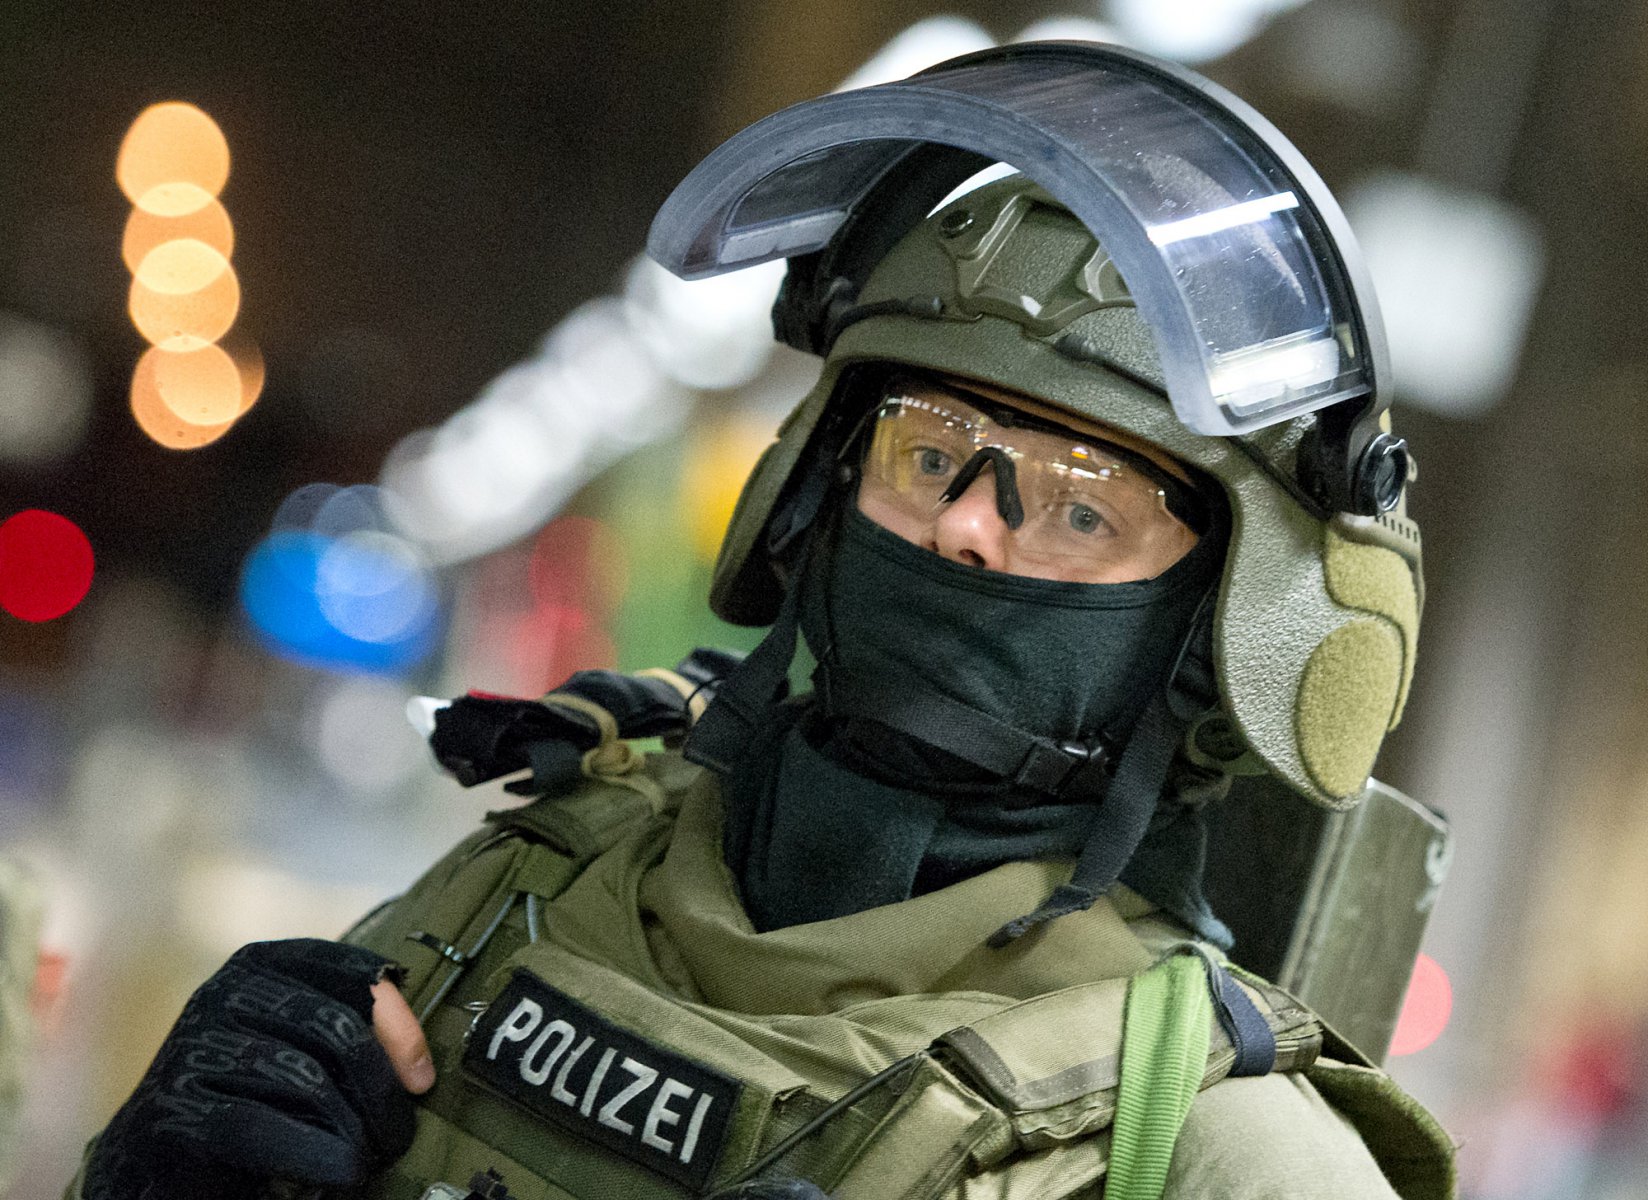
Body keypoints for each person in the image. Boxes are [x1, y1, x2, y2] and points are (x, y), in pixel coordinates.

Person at [69, 42, 1454, 1200]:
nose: (970, 524)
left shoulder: (1218, 1150)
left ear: (1223, 620)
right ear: (814, 485)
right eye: (927, 451)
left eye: (1079, 506)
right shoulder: (517, 893)